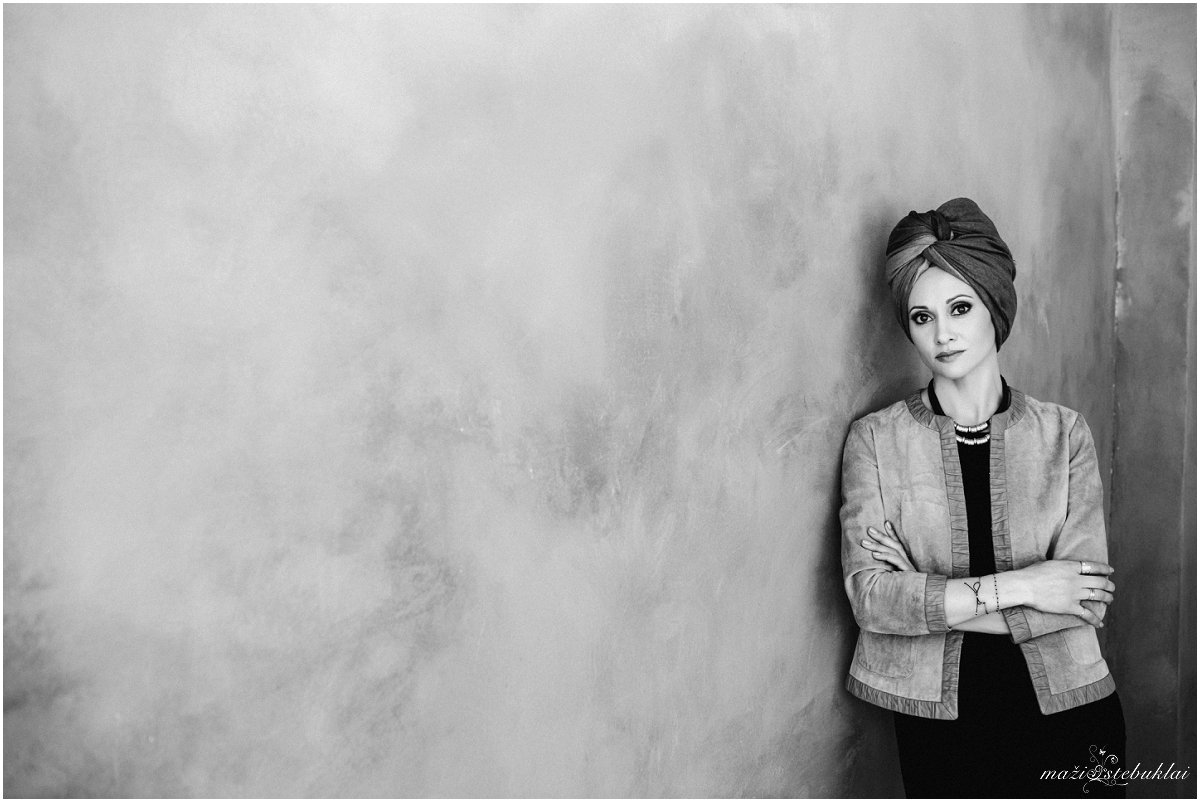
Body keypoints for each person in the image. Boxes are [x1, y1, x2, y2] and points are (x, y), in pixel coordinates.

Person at [839, 198, 1126, 798]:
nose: (942, 334)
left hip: (1072, 715)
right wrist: (1029, 585)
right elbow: (872, 601)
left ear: (994, 305)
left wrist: (925, 595)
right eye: (922, 316)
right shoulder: (874, 440)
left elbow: (1082, 601)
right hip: (942, 733)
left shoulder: (1065, 435)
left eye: (960, 307)